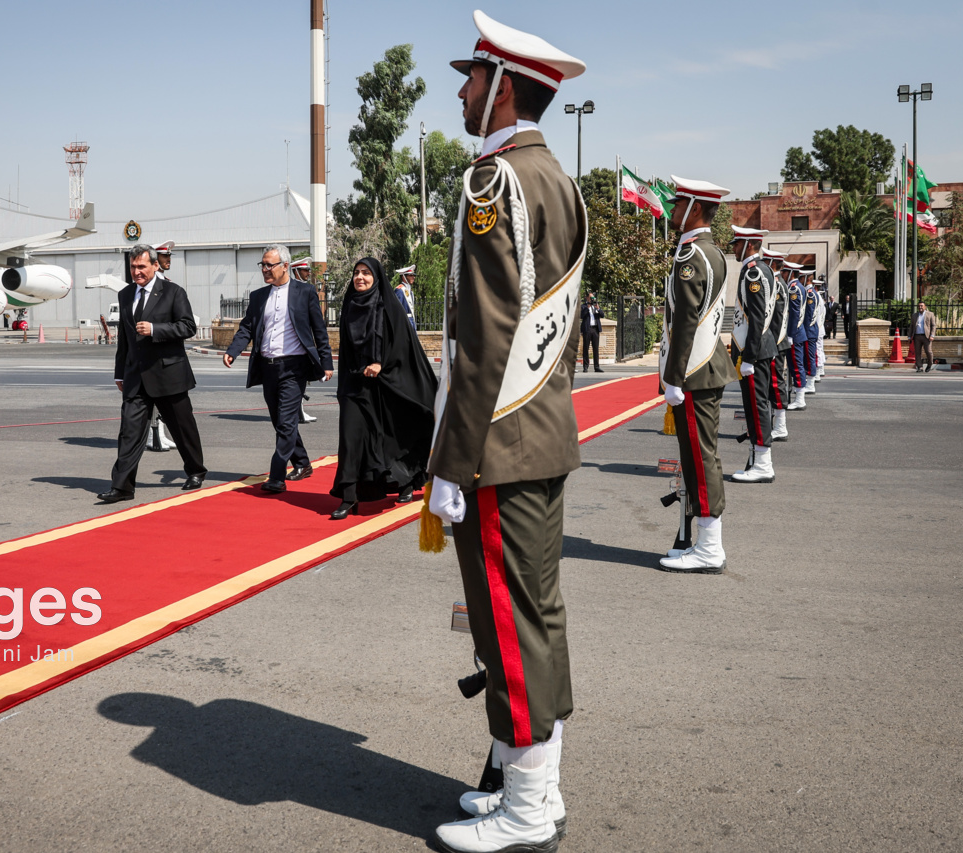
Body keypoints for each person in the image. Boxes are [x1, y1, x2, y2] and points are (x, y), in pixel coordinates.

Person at [428, 12, 587, 852]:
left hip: (500, 443)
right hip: (539, 432)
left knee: (513, 624)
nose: (460, 90)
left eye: (471, 77)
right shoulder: (555, 177)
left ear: (504, 87)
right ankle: (536, 790)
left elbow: (488, 339)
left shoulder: (496, 184)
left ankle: (528, 811)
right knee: (532, 615)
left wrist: (454, 459)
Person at [656, 176, 737, 573]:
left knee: (701, 460)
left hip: (694, 372)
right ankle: (704, 543)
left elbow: (686, 322)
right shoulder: (712, 252)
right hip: (704, 369)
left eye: (678, 204)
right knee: (698, 456)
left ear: (695, 209)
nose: (672, 210)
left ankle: (709, 549)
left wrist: (673, 377)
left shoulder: (691, 258)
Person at [97, 245, 207, 503]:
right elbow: (124, 338)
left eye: (142, 267)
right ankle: (122, 487)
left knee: (182, 429)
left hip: (168, 374)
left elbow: (188, 326)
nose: (136, 272)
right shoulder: (125, 295)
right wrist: (119, 373)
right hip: (135, 376)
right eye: (133, 267)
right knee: (130, 432)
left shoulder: (173, 292)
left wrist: (156, 329)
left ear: (155, 266)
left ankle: (195, 470)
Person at [329, 258, 436, 519]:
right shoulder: (351, 305)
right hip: (356, 385)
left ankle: (408, 481)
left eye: (366, 273)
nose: (360, 277)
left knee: (394, 438)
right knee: (351, 439)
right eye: (356, 273)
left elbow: (403, 345)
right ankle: (349, 496)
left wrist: (380, 363)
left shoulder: (389, 306)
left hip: (388, 385)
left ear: (376, 277)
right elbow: (346, 350)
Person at [223, 244, 333, 492]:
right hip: (268, 367)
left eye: (270, 265)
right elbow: (247, 328)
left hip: (295, 368)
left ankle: (276, 476)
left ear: (285, 266)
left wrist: (326, 362)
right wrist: (233, 351)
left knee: (285, 423)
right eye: (262, 264)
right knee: (280, 421)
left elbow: (319, 330)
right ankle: (303, 463)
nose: (265, 269)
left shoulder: (305, 292)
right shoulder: (259, 296)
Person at [728, 227, 777, 484]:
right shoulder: (764, 268)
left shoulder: (754, 272)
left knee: (756, 407)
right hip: (760, 350)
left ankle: (763, 465)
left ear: (748, 244)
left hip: (754, 354)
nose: (733, 248)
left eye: (736, 244)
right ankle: (757, 459)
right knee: (756, 406)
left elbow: (758, 318)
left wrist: (748, 357)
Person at [146, 240, 180, 452]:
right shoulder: (149, 284)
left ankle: (160, 433)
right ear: (155, 259)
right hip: (151, 349)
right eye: (165, 256)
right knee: (153, 397)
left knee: (164, 397)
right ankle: (152, 434)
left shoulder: (165, 282)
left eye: (169, 256)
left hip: (166, 348)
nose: (168, 260)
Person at [761, 250, 791, 441]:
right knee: (772, 384)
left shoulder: (778, 286)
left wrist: (773, 344)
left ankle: (780, 426)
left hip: (776, 343)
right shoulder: (777, 283)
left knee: (775, 382)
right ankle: (774, 423)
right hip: (775, 342)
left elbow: (777, 319)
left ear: (771, 263)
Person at [289, 257, 321, 424]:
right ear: (296, 271)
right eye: (305, 270)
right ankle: (299, 412)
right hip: (294, 345)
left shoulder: (307, 289)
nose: (308, 273)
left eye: (308, 270)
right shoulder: (296, 289)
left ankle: (299, 411)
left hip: (304, 342)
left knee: (303, 380)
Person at [783, 262, 808, 411]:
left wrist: (791, 334)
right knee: (795, 366)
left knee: (797, 366)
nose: (782, 274)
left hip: (795, 334)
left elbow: (795, 314)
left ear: (791, 273)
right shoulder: (798, 287)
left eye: (784, 272)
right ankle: (798, 396)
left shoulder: (794, 289)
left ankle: (800, 400)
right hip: (797, 333)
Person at [801, 270, 820, 394]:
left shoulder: (810, 294)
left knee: (809, 358)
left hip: (809, 331)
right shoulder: (811, 292)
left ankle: (811, 383)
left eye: (801, 277)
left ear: (807, 278)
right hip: (810, 331)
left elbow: (808, 315)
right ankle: (809, 381)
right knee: (808, 357)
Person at [579, 291, 606, 372]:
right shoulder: (583, 306)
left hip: (595, 329)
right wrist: (587, 307)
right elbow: (581, 316)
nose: (592, 299)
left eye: (593, 298)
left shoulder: (595, 306)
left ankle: (596, 367)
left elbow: (602, 315)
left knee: (596, 348)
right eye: (590, 298)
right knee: (586, 348)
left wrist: (598, 308)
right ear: (587, 298)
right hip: (587, 329)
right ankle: (585, 367)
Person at [910, 300, 938, 372]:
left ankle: (929, 364)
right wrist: (909, 336)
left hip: (927, 337)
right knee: (917, 352)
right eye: (919, 306)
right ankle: (920, 367)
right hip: (917, 336)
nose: (920, 307)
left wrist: (932, 335)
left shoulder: (930, 314)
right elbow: (911, 326)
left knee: (928, 351)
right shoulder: (914, 315)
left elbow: (933, 325)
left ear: (925, 307)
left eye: (921, 306)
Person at [393, 264, 417, 329]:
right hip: (404, 323)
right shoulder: (399, 290)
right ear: (404, 277)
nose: (413, 277)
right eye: (411, 275)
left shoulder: (410, 291)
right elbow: (397, 310)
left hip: (411, 321)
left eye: (413, 275)